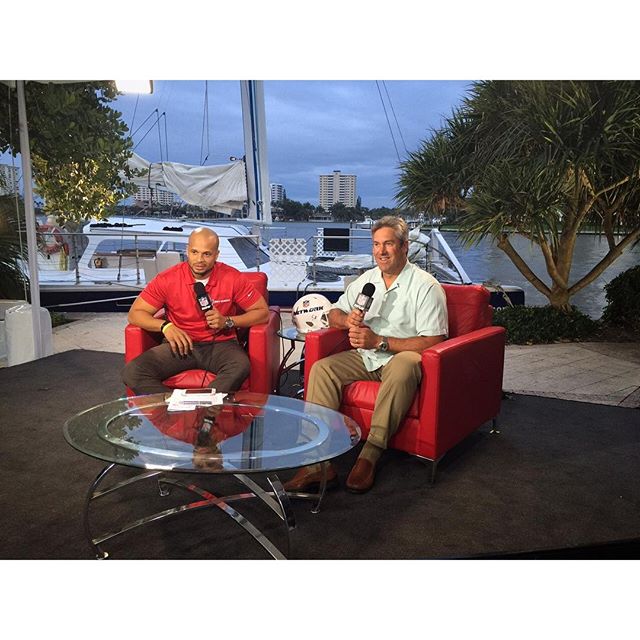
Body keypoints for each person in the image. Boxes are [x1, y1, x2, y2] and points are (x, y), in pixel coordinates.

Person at [284, 216, 448, 494]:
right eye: (376, 245)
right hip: (368, 357)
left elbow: (434, 339)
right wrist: (347, 321)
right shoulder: (367, 280)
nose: (381, 251)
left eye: (388, 244)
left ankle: (370, 453)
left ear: (405, 247)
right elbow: (333, 311)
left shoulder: (426, 286)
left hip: (401, 356)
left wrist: (380, 341)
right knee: (322, 369)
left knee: (404, 365)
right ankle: (317, 463)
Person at [122, 227, 269, 395]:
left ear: (216, 255)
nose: (199, 259)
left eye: (207, 254)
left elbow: (262, 312)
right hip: (179, 345)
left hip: (221, 344)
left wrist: (227, 321)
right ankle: (176, 409)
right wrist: (166, 327)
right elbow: (135, 314)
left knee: (241, 366)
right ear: (187, 251)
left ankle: (207, 409)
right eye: (194, 252)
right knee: (132, 372)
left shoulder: (232, 277)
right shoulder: (167, 279)